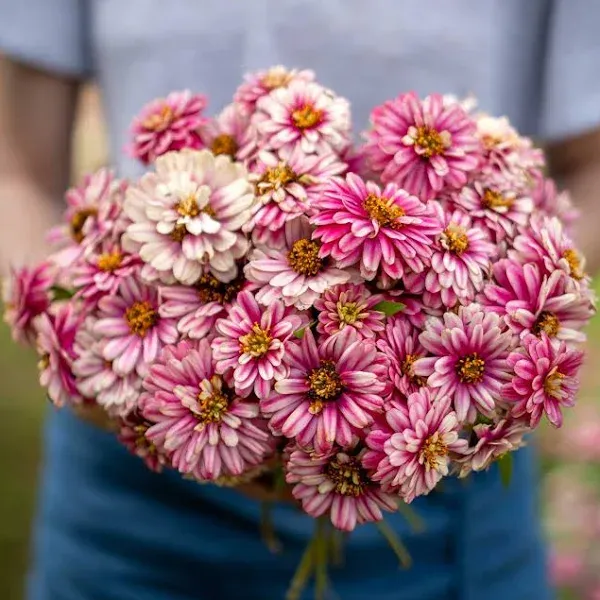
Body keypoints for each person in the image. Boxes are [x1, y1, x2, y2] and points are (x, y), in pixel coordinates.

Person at [1, 1, 599, 598]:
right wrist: (80, 350)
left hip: (430, 478)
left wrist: (508, 313)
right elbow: (15, 168)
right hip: (125, 472)